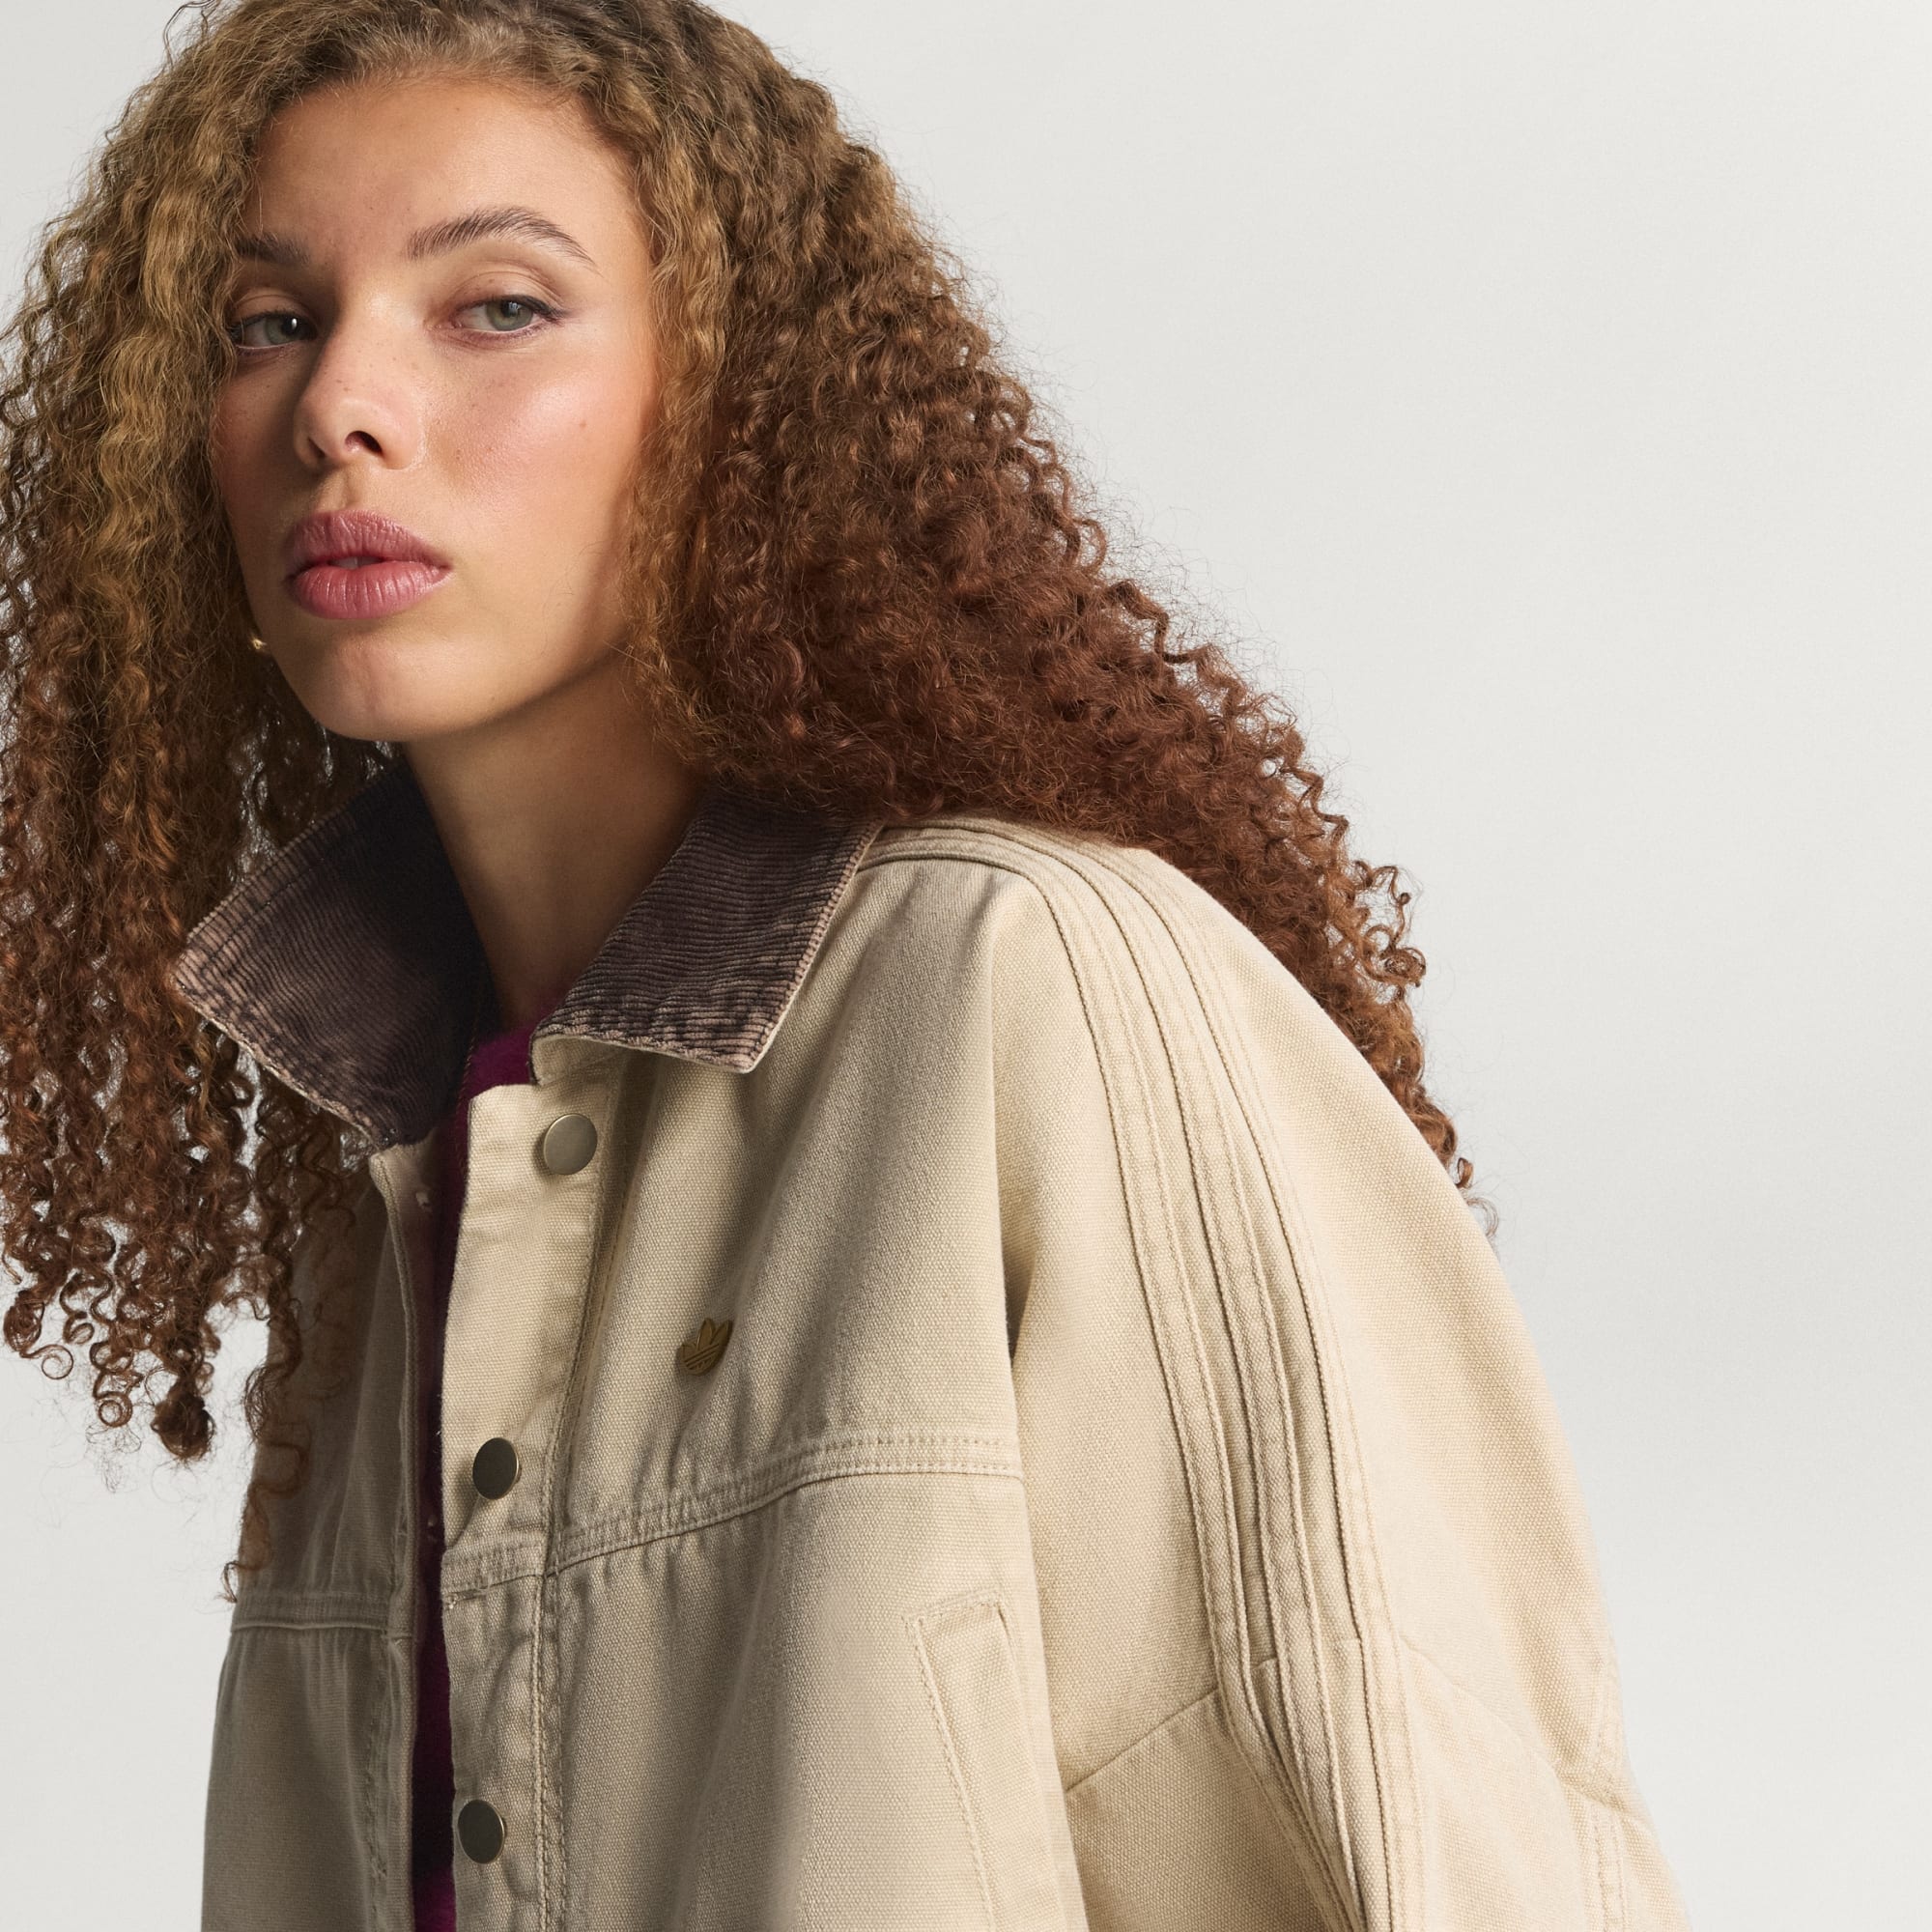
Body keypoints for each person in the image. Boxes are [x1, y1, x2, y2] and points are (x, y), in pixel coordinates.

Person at [0, 2, 1691, 1927]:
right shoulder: (388, 1174)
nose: (337, 407)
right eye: (265, 324)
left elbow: (1402, 1851)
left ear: (740, 402)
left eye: (498, 307)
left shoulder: (1026, 984)